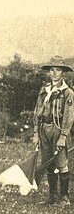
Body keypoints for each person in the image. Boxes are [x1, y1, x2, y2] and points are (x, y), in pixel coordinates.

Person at [32, 55, 74, 205]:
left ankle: (64, 197)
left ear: (63, 73)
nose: (54, 73)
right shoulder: (44, 90)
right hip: (44, 129)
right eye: (52, 70)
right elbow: (37, 112)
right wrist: (36, 133)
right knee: (48, 162)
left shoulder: (67, 92)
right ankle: (52, 196)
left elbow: (69, 116)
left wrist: (63, 136)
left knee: (61, 163)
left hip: (58, 129)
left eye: (58, 70)